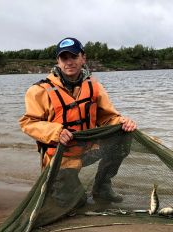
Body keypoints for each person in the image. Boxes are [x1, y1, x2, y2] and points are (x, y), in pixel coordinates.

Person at [19, 37, 137, 207]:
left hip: (89, 150)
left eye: (74, 57)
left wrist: (123, 122)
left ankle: (102, 187)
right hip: (60, 157)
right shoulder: (39, 90)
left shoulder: (95, 86)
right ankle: (55, 183)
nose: (69, 62)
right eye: (64, 58)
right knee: (76, 203)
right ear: (58, 61)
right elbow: (28, 122)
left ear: (83, 58)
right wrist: (56, 132)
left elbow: (108, 118)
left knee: (122, 137)